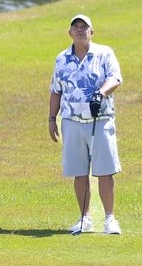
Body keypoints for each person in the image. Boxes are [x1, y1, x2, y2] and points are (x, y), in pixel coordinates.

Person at [48, 14, 123, 235]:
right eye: (76, 27)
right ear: (70, 32)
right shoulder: (61, 59)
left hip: (100, 121)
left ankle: (110, 219)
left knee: (105, 171)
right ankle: (84, 219)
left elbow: (115, 78)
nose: (80, 30)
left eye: (84, 27)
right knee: (79, 171)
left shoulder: (104, 53)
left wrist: (100, 93)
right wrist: (52, 119)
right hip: (71, 121)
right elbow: (56, 90)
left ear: (91, 32)